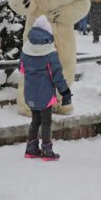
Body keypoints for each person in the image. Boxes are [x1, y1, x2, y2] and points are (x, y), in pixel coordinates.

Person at [22, 16, 72, 161]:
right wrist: (65, 92)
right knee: (46, 122)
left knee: (35, 121)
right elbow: (57, 77)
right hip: (45, 94)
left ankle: (30, 149)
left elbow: (22, 69)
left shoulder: (25, 50)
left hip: (30, 93)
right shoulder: (50, 54)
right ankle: (46, 151)